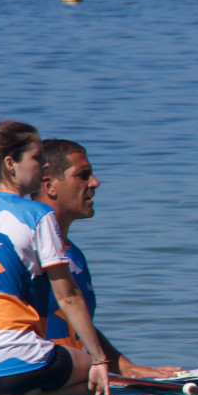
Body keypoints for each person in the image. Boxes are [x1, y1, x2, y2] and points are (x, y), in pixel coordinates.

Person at [0, 121, 115, 395]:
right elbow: (68, 297)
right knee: (94, 379)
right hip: (12, 370)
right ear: (11, 164)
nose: (44, 165)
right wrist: (99, 360)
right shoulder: (37, 214)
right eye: (37, 157)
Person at [33, 138, 180, 379]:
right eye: (83, 175)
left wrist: (124, 366)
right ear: (50, 185)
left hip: (75, 378)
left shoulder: (73, 253)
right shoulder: (26, 251)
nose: (95, 182)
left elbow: (77, 326)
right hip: (39, 381)